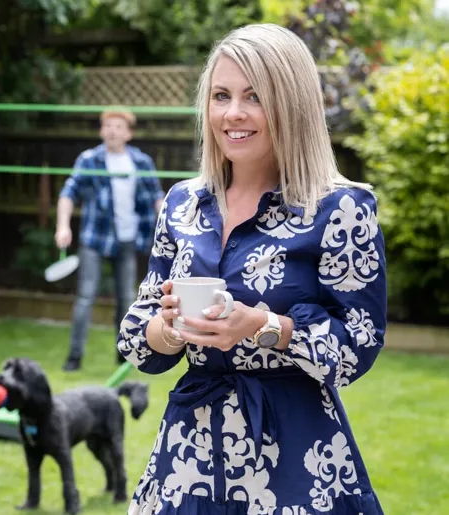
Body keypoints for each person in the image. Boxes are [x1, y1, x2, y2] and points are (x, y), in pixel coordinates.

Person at [116, 24, 387, 514]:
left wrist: (263, 327)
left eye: (255, 96)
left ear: (292, 105)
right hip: (188, 460)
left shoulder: (340, 210)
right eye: (221, 95)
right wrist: (174, 328)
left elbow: (356, 348)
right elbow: (137, 341)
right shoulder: (181, 205)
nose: (233, 113)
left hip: (296, 462)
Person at [56, 108, 165, 372]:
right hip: (94, 239)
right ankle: (74, 356)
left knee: (126, 299)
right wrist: (62, 226)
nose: (112, 131)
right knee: (85, 297)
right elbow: (68, 193)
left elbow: (157, 199)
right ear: (101, 131)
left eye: (118, 127)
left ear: (128, 133)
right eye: (107, 126)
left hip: (128, 239)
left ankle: (123, 355)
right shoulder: (89, 159)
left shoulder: (141, 162)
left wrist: (168, 230)